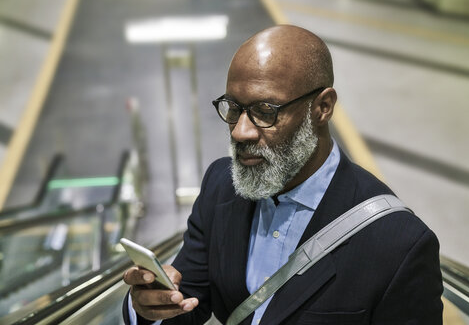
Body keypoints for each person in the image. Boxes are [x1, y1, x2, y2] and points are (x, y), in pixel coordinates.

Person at [123, 25, 443, 324]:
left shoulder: (399, 244)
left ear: (323, 107)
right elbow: (187, 300)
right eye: (233, 108)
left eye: (265, 111)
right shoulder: (220, 186)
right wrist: (150, 306)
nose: (240, 131)